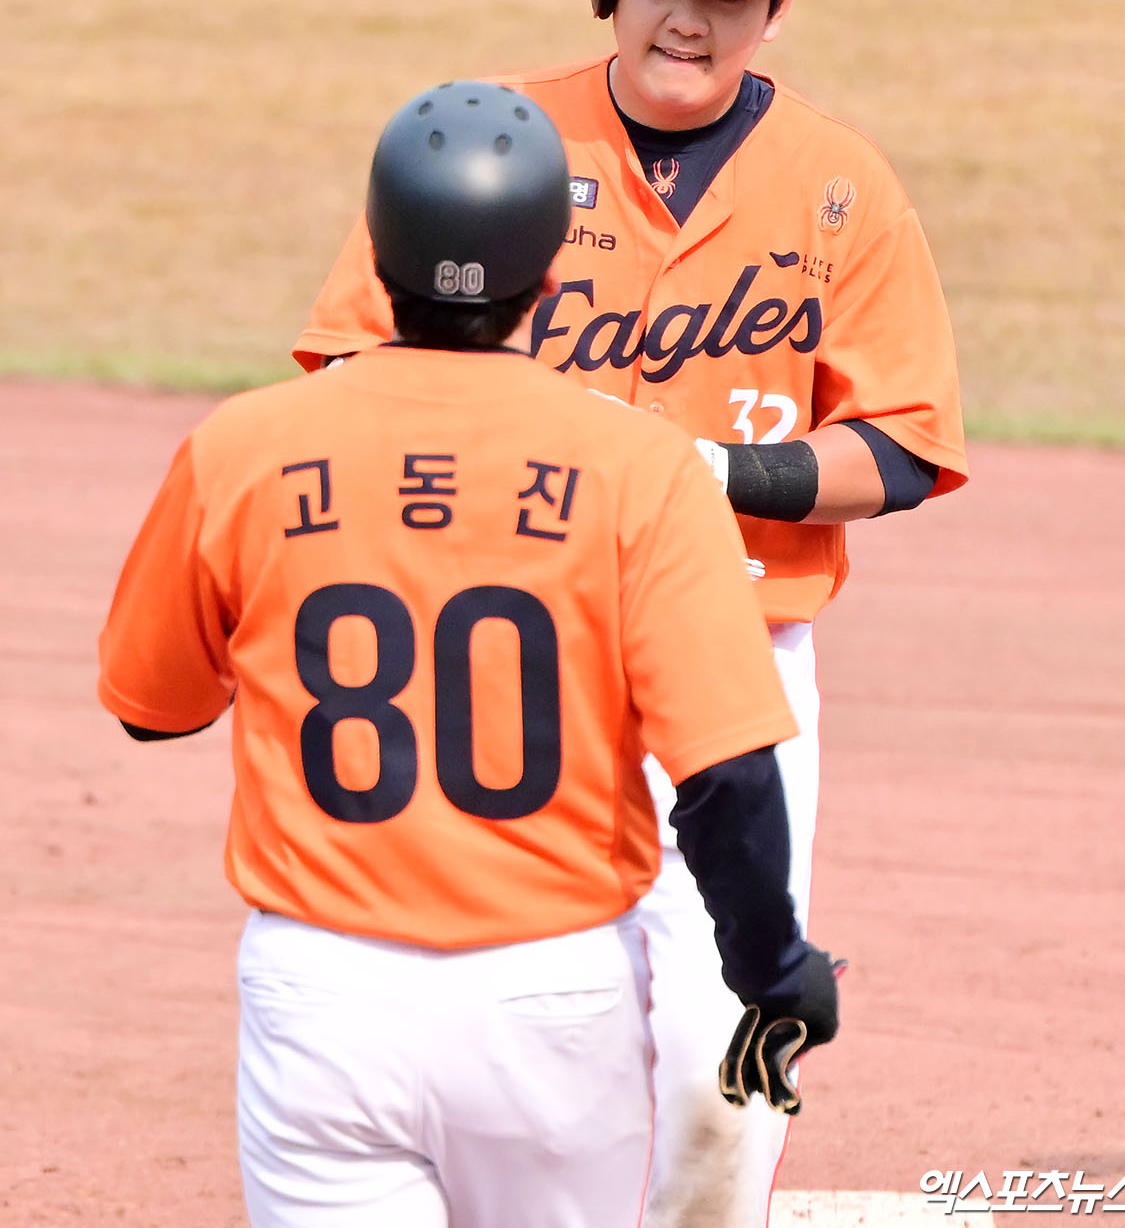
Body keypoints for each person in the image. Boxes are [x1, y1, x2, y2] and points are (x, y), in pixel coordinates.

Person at [291, 0, 968, 1228]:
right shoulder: (491, 149)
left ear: (775, 10)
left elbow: (904, 447)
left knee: (729, 1065)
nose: (689, 20)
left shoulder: (837, 185)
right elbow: (353, 373)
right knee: (520, 1041)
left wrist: (705, 470)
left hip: (736, 666)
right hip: (511, 667)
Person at [97, 80, 841, 1228]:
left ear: (375, 252)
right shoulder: (641, 471)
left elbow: (152, 707)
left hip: (322, 996)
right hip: (554, 998)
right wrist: (774, 968)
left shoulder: (239, 447)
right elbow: (727, 773)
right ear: (550, 276)